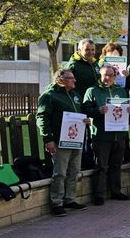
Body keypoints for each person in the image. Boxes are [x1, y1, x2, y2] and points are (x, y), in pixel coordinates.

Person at [36, 69, 91, 216]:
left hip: (75, 140)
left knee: (74, 171)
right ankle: (57, 202)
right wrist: (48, 139)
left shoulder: (75, 96)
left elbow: (79, 115)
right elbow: (42, 118)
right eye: (70, 78)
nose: (74, 81)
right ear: (60, 80)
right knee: (60, 172)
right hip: (60, 141)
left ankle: (69, 199)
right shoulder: (49, 96)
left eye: (74, 78)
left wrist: (85, 120)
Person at [82, 65, 130, 205]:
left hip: (119, 134)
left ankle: (115, 191)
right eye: (105, 75)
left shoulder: (121, 91)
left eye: (111, 75)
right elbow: (85, 108)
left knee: (116, 165)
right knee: (101, 166)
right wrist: (98, 110)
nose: (108, 78)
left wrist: (129, 109)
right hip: (101, 135)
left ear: (115, 76)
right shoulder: (92, 91)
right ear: (100, 75)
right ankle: (98, 195)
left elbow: (125, 108)